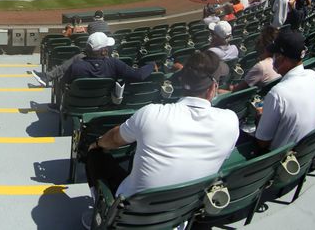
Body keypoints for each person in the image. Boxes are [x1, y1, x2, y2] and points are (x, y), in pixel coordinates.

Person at [82, 50, 238, 226]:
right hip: (181, 213)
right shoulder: (230, 121)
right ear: (212, 88)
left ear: (181, 80)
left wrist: (96, 144)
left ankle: (101, 213)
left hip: (129, 214)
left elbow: (114, 139)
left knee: (95, 154)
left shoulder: (151, 113)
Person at [255, 29, 315, 151]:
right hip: (306, 152)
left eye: (274, 54)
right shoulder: (313, 76)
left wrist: (260, 116)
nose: (273, 58)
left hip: (278, 160)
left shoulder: (277, 93)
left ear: (281, 58)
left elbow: (262, 142)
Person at [58, 32, 154, 87]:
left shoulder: (76, 67)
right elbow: (139, 75)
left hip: (77, 106)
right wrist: (152, 65)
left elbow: (62, 84)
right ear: (104, 51)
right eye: (107, 47)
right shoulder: (114, 63)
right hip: (106, 104)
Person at [229, 26, 281, 92]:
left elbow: (236, 91)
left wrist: (230, 87)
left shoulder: (261, 67)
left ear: (263, 44)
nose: (257, 42)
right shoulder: (279, 62)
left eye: (259, 40)